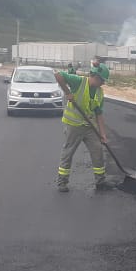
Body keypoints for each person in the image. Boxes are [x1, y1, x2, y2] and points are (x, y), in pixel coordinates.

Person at [54, 64, 112, 192]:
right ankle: (62, 182)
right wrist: (67, 92)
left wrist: (103, 134)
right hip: (74, 126)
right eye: (102, 80)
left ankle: (100, 181)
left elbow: (99, 114)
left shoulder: (99, 92)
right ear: (95, 77)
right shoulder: (78, 81)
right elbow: (58, 75)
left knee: (97, 151)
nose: (103, 83)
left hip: (89, 127)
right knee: (68, 153)